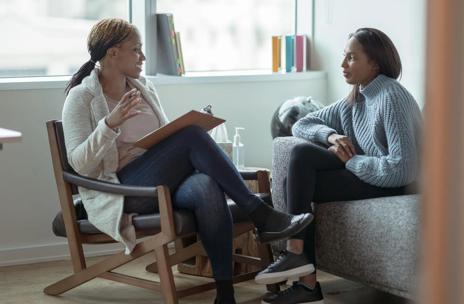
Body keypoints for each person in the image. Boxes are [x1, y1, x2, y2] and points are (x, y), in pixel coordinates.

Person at [61, 18, 313, 304]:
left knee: (205, 184)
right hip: (122, 190)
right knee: (191, 135)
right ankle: (261, 215)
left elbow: (163, 139)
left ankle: (225, 294)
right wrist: (109, 124)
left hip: (160, 181)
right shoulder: (82, 98)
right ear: (113, 52)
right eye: (136, 49)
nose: (143, 57)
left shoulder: (142, 87)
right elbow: (79, 164)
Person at [254, 28, 422, 304]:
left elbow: (402, 169)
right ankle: (300, 266)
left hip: (398, 183)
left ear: (375, 64)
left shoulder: (391, 96)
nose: (343, 65)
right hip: (371, 173)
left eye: (352, 58)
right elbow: (301, 124)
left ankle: (302, 273)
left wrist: (353, 161)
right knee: (300, 162)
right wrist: (331, 135)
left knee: (298, 178)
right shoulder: (355, 98)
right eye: (344, 57)